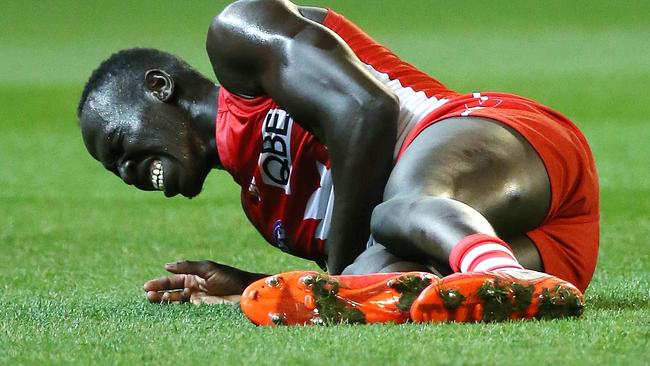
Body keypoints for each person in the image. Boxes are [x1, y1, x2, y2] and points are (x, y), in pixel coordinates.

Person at [77, 0, 599, 322]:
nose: (126, 172)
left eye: (118, 146)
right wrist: (254, 287)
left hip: (508, 145)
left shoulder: (239, 36)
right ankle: (514, 284)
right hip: (548, 249)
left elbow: (366, 110)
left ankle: (507, 278)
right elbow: (367, 268)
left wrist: (342, 274)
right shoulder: (269, 213)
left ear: (159, 87)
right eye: (114, 170)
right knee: (380, 287)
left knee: (392, 215)